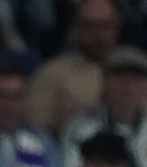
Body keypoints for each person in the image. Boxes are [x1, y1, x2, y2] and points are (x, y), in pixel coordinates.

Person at [28, 0, 118, 138]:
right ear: (76, 29)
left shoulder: (133, 71)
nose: (98, 35)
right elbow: (37, 132)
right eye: (90, 26)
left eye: (105, 26)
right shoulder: (51, 74)